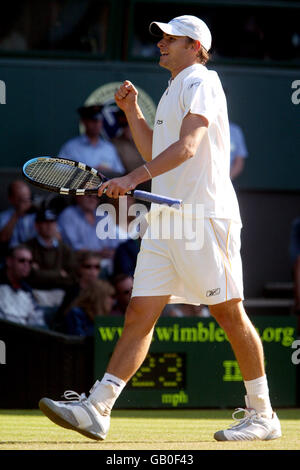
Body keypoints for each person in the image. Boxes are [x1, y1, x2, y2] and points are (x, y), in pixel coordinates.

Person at [39, 15, 281, 442]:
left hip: (204, 218)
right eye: (162, 37)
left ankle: (263, 415)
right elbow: (157, 149)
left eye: (171, 38)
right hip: (165, 222)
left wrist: (131, 179)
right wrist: (133, 112)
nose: (161, 44)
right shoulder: (173, 89)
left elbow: (187, 149)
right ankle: (99, 407)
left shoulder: (202, 81)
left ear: (194, 46)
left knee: (227, 313)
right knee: (139, 314)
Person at [58, 104, 125, 176]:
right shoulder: (71, 147)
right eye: (93, 120)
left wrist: (107, 172)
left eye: (99, 121)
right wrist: (89, 171)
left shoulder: (109, 148)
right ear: (84, 121)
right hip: (80, 186)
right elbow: (59, 171)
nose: (96, 124)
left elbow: (120, 172)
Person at [51, 250, 102, 332]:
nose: (93, 271)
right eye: (88, 267)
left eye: (97, 267)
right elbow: (64, 317)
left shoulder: (104, 289)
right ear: (80, 268)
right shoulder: (73, 290)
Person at [26, 207, 75, 289]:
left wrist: (40, 272)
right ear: (37, 226)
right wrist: (59, 274)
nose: (49, 226)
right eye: (45, 222)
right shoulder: (28, 247)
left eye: (52, 222)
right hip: (35, 291)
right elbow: (30, 275)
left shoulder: (65, 248)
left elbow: (72, 276)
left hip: (61, 292)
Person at [0, 245, 46, 328]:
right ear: (9, 261)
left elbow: (38, 322)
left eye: (30, 262)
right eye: (22, 260)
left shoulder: (27, 290)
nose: (26, 265)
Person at [0, 180, 37, 256]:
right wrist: (17, 214)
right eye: (21, 199)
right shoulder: (4, 216)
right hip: (12, 258)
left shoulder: (36, 215)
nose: (26, 201)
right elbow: (3, 238)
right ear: (11, 199)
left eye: (28, 198)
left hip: (35, 256)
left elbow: (55, 238)